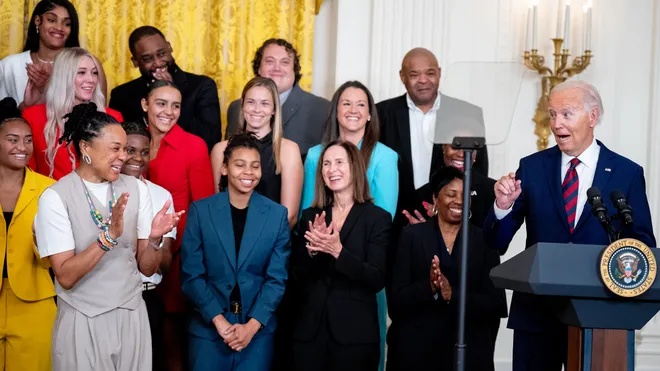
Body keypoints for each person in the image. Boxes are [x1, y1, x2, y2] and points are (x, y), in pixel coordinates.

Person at [483, 80, 656, 371]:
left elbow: (642, 245)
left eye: (566, 113)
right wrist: (502, 207)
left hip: (601, 314)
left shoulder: (626, 173)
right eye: (552, 114)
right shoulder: (532, 167)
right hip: (537, 314)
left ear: (592, 117)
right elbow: (495, 242)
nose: (556, 123)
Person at [34, 102, 183, 371]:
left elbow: (147, 267)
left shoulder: (137, 189)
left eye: (124, 149)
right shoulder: (55, 198)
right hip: (83, 319)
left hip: (131, 317)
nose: (123, 157)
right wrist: (108, 236)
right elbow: (65, 276)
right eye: (115, 148)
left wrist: (153, 239)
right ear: (85, 148)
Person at [300, 80, 398, 371]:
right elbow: (311, 212)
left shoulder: (386, 156)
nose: (353, 110)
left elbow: (383, 219)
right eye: (346, 103)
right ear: (335, 111)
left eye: (361, 104)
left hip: (360, 275)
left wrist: (340, 250)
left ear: (370, 113)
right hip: (318, 284)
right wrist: (318, 245)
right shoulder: (315, 155)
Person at [181, 132, 291, 371]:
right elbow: (192, 276)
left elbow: (277, 279)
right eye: (239, 165)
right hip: (208, 331)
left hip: (257, 334)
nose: (248, 172)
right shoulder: (201, 212)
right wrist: (219, 322)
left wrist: (251, 326)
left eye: (255, 166)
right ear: (224, 168)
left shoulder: (276, 215)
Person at [387, 166, 507, 371]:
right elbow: (395, 303)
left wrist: (453, 294)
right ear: (435, 198)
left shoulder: (484, 240)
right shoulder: (411, 236)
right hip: (416, 353)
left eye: (464, 195)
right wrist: (430, 287)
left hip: (468, 351)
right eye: (451, 194)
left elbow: (497, 305)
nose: (458, 201)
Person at [290, 141, 391, 371]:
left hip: (354, 337)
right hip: (309, 335)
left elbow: (376, 278)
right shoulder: (310, 215)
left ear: (354, 167)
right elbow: (296, 275)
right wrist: (311, 251)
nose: (331, 169)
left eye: (338, 162)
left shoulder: (377, 218)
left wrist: (338, 252)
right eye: (326, 164)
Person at [143, 80, 215, 371]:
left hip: (177, 257)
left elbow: (203, 209)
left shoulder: (193, 146)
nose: (169, 112)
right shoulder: (131, 140)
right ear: (145, 105)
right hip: (133, 253)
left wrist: (183, 256)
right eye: (161, 103)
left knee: (171, 339)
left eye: (176, 106)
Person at [376, 48, 488, 234]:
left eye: (430, 73)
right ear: (402, 76)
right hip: (395, 227)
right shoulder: (380, 114)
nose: (423, 80)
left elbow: (477, 172)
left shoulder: (467, 113)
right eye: (414, 74)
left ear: (439, 73)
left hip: (452, 228)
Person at [0, 97, 56, 371]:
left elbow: (53, 257)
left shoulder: (49, 189)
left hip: (35, 300)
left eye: (27, 140)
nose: (21, 147)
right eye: (12, 140)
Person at [110, 25, 221, 152]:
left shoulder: (202, 86)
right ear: (135, 61)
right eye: (148, 59)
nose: (158, 63)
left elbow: (211, 140)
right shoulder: (121, 95)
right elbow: (115, 144)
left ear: (169, 47)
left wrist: (172, 93)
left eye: (161, 53)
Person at [211, 77, 302, 228]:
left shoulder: (288, 150)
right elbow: (218, 206)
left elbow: (289, 216)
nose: (257, 109)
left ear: (274, 110)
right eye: (251, 102)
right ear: (242, 105)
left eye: (265, 103)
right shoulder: (220, 150)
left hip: (273, 243)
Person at [120, 121, 176, 371]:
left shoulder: (161, 196)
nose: (137, 158)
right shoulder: (98, 192)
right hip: (110, 298)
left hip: (146, 296)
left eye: (144, 152)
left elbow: (165, 262)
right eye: (130, 150)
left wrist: (153, 240)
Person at [22, 47, 123, 180]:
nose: (91, 79)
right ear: (63, 76)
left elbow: (119, 168)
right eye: (81, 72)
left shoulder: (113, 117)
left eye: (94, 73)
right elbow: (28, 174)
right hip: (49, 196)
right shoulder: (33, 117)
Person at [224, 38, 330, 158]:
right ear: (259, 68)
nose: (277, 68)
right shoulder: (236, 108)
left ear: (294, 70)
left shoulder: (322, 109)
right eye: (270, 61)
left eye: (284, 62)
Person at [0, 0, 80, 108]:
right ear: (37, 20)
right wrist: (27, 105)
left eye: (67, 24)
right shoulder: (9, 65)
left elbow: (99, 120)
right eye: (51, 20)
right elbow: (3, 119)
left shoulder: (84, 65)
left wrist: (49, 90)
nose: (59, 28)